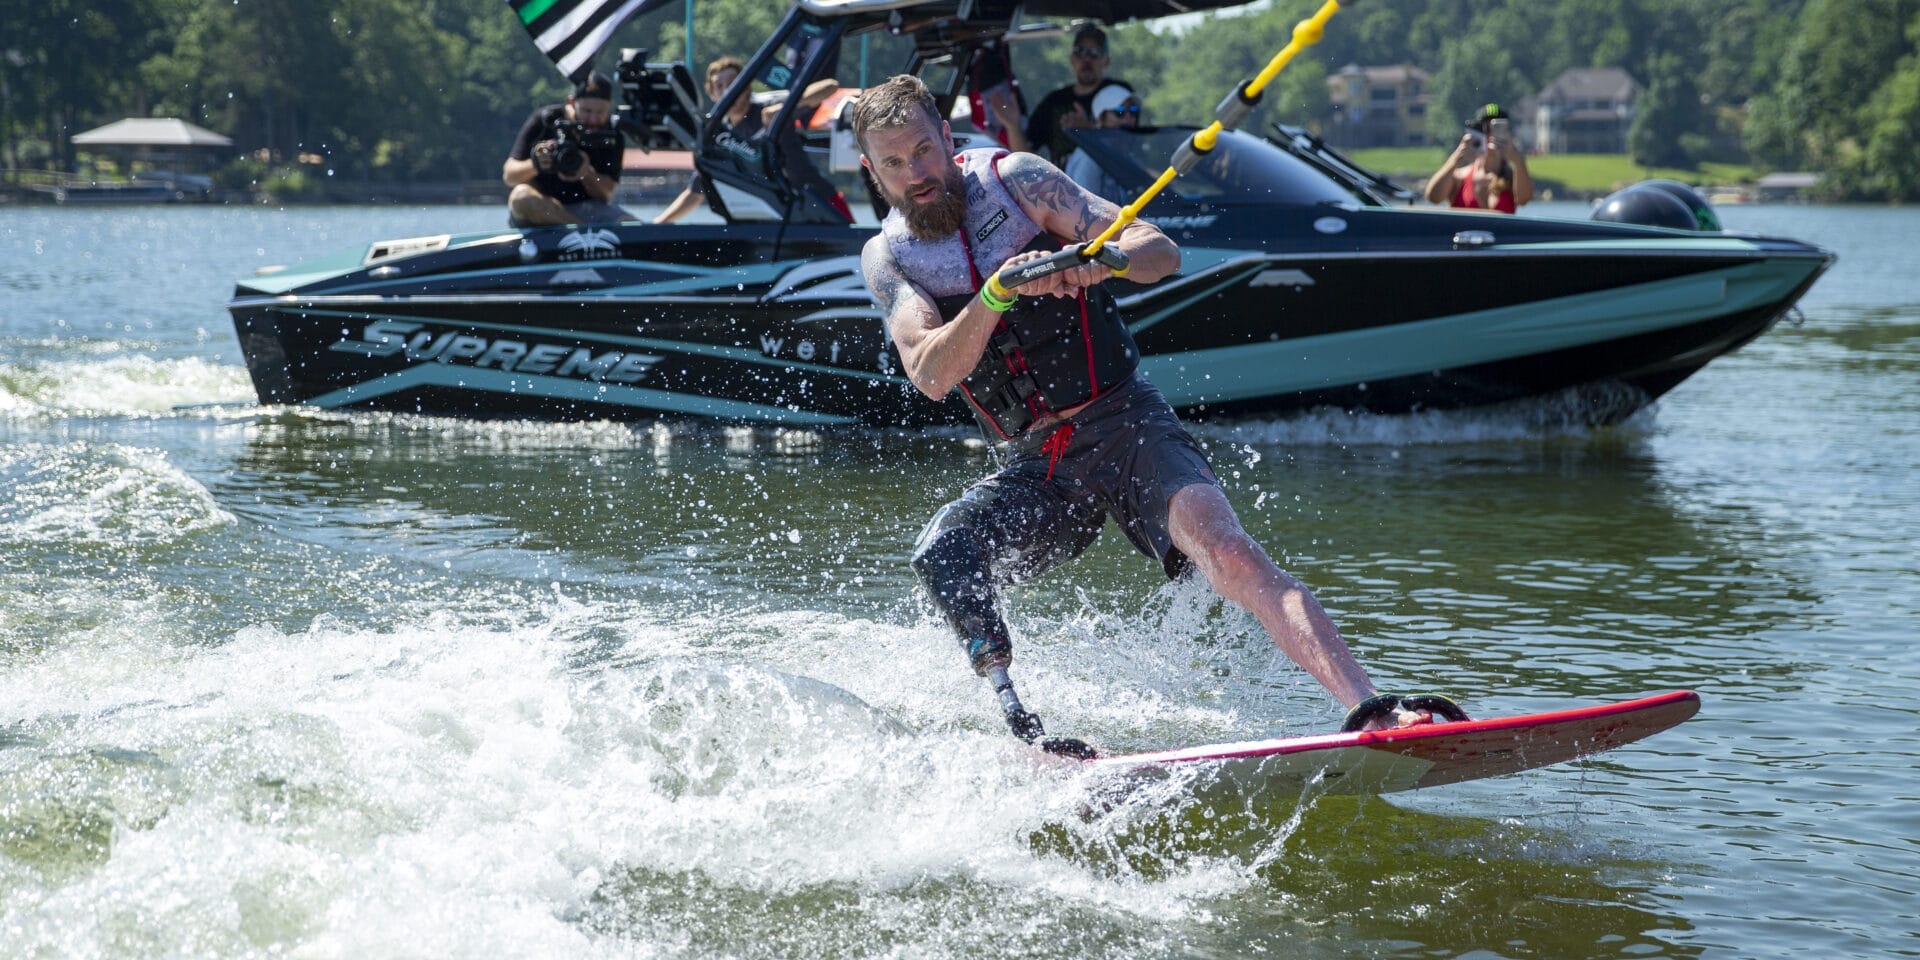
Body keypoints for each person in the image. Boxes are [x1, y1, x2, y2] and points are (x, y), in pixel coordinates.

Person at [851, 74, 1428, 745]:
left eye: (923, 150)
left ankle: (1373, 709)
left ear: (947, 138)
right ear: (872, 170)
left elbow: (1161, 251)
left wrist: (1108, 257)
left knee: (1227, 549)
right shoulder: (889, 257)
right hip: (1038, 464)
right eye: (894, 163)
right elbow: (930, 372)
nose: (915, 173)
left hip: (1124, 421)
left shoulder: (1021, 184)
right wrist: (1002, 290)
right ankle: (1027, 733)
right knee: (943, 550)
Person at [654, 56, 848, 224]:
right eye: (719, 86)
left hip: (818, 200)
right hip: (773, 215)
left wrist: (783, 110)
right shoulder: (716, 134)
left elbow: (829, 86)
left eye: (732, 84)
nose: (726, 92)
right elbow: (695, 193)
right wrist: (658, 224)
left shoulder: (768, 106)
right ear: (711, 94)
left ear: (746, 88)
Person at [503, 71, 633, 227]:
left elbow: (606, 195)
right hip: (542, 209)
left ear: (610, 105)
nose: (593, 119)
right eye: (587, 111)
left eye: (600, 112)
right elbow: (509, 176)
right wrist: (537, 164)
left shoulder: (612, 135)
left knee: (631, 225)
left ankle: (581, 233)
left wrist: (587, 174)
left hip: (587, 210)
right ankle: (584, 234)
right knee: (521, 197)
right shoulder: (545, 120)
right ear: (572, 102)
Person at [1023, 24, 1132, 165]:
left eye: (1094, 53)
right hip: (1060, 185)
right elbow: (1025, 157)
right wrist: (1011, 124)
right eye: (1080, 51)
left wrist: (1088, 132)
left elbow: (1128, 147)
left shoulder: (1119, 93)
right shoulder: (1053, 101)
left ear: (1107, 61)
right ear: (1071, 58)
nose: (1086, 59)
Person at [1425, 103, 1534, 213]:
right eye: (1485, 128)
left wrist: (1518, 160)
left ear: (1508, 134)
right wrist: (1457, 156)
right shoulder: (1459, 177)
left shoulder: (1513, 178)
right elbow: (1434, 198)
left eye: (1497, 129)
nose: (1491, 134)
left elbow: (1524, 200)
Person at [1062, 83, 1141, 203]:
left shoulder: (1125, 155)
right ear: (1101, 119)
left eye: (1133, 111)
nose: (1128, 117)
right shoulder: (1089, 156)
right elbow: (1085, 209)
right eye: (1119, 112)